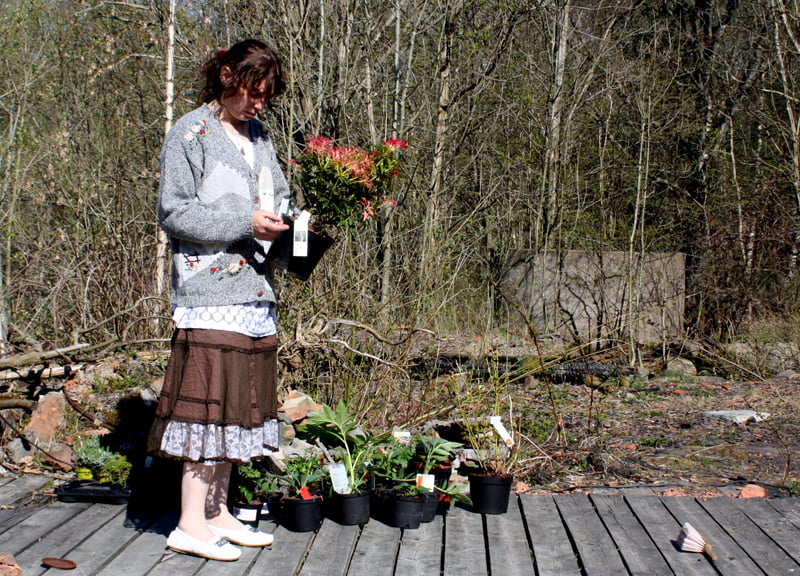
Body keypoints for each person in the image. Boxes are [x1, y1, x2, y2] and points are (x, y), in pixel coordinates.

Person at [148, 39, 291, 562]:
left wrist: (290, 225)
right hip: (208, 291)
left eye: (266, 96)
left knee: (235, 405)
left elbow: (277, 196)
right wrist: (244, 222)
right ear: (226, 75)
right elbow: (174, 212)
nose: (258, 103)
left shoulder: (260, 136)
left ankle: (217, 512)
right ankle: (189, 523)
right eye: (252, 92)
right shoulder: (192, 132)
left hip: (253, 289)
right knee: (206, 407)